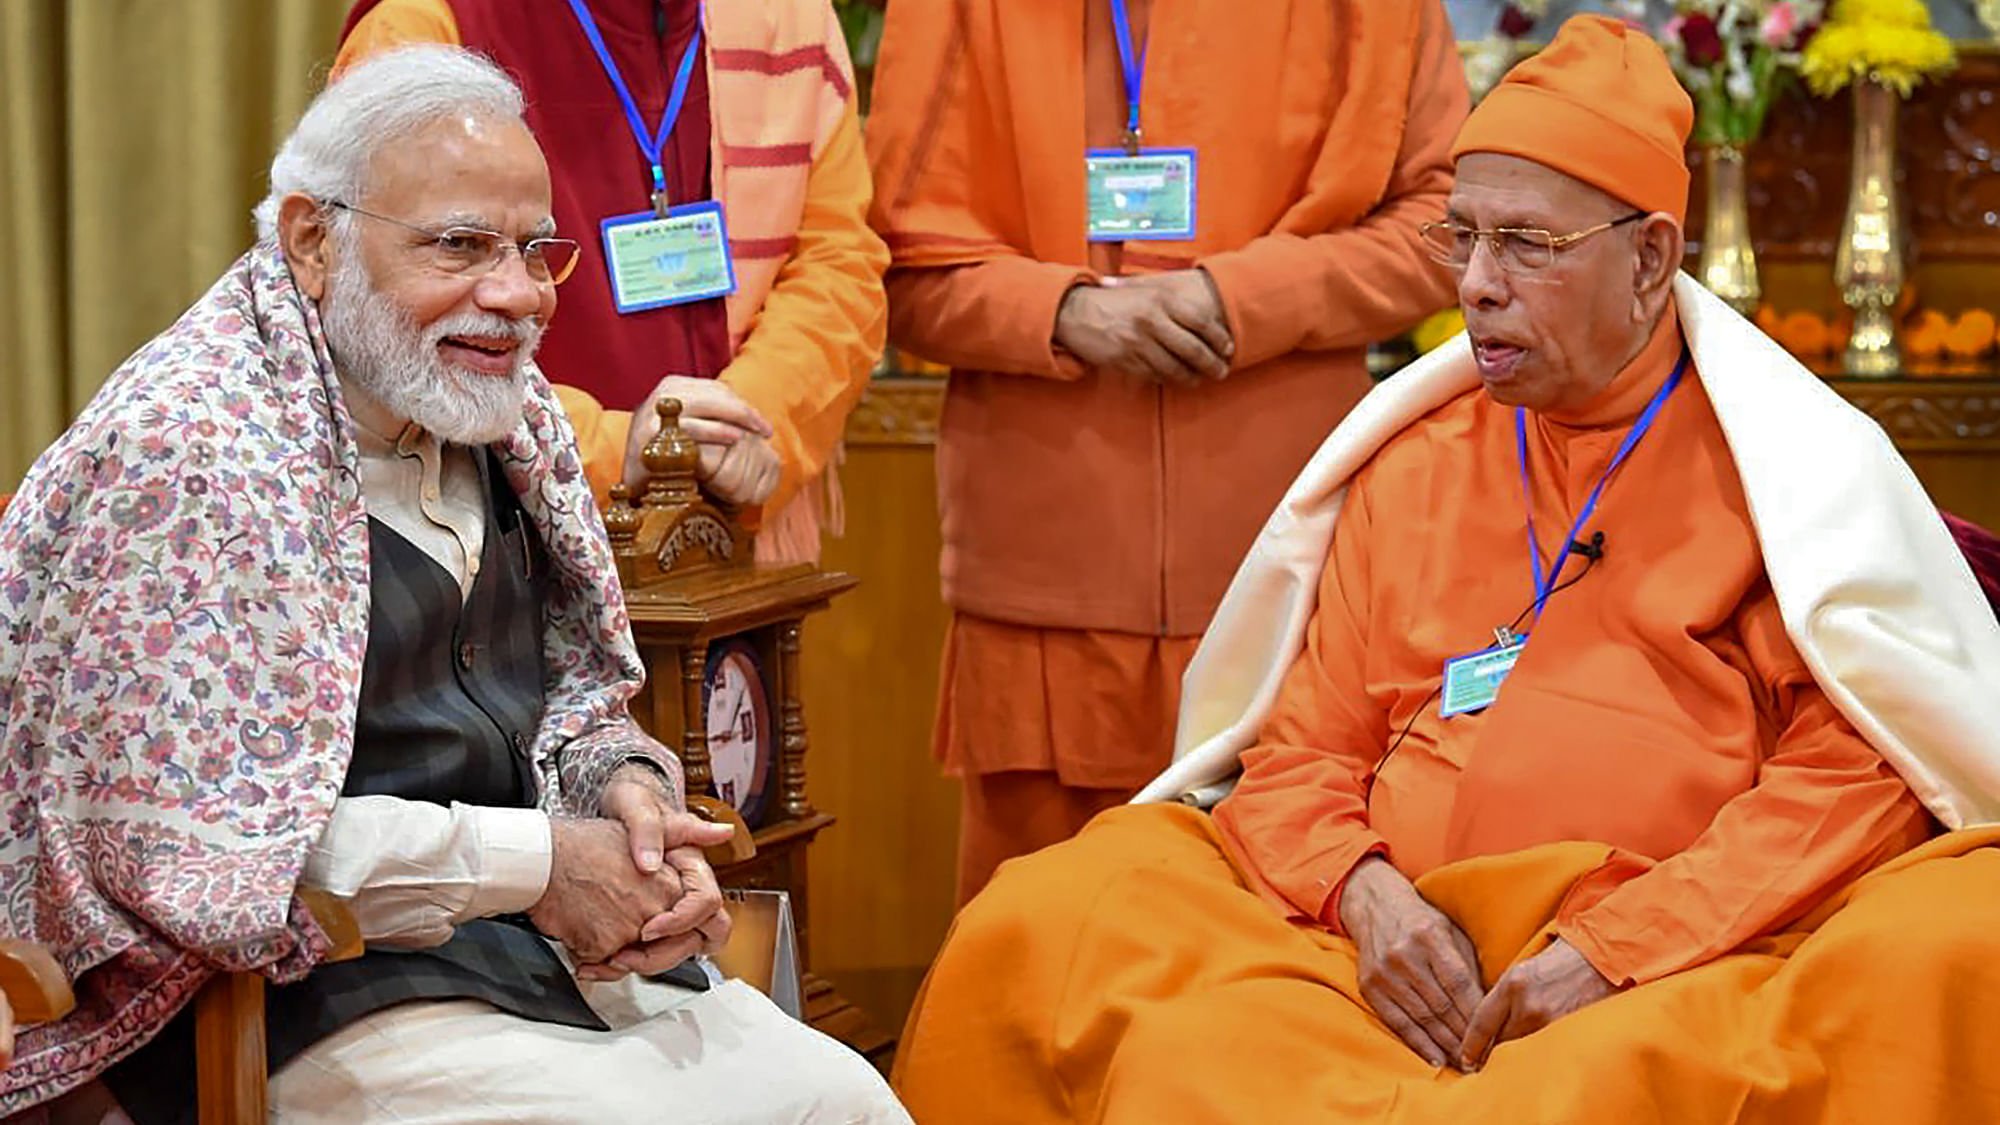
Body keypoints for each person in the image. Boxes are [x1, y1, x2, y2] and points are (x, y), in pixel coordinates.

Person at [889, 17, 2000, 1123]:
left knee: (1942, 942)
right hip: (1381, 954)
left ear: (1650, 259)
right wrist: (1363, 895)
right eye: (1459, 236)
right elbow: (1296, 754)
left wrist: (1617, 948)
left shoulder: (1782, 478)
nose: (1473, 284)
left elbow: (1858, 773)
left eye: (1524, 245)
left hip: (1677, 954)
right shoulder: (1412, 464)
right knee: (1042, 913)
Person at [0, 47, 907, 1125]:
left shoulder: (501, 413)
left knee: (842, 1098)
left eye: (534, 249)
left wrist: (633, 808)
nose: (517, 296)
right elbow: (193, 854)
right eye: (461, 246)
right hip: (273, 1003)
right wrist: (541, 865)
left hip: (530, 960)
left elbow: (575, 702)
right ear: (310, 242)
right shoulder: (186, 454)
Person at [864, 0, 1470, 901]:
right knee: (1035, 954)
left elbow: (1449, 221)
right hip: (1046, 568)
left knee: (1279, 945)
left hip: (1290, 556)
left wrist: (1250, 298)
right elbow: (892, 260)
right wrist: (1065, 312)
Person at [336, 0, 889, 566]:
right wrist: (611, 452)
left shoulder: (787, 16)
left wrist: (741, 426)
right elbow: (384, 306)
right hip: (507, 552)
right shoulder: (429, 20)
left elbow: (839, 261)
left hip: (738, 540)